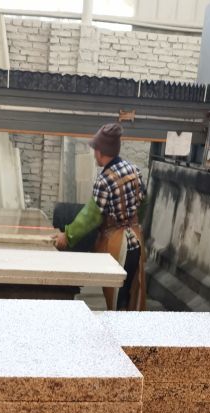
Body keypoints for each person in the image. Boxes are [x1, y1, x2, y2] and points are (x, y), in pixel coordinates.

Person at [55, 123, 146, 310]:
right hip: (137, 240)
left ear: (100, 151)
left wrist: (67, 236)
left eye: (95, 149)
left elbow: (91, 216)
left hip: (118, 244)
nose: (94, 153)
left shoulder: (104, 180)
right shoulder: (134, 170)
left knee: (116, 296)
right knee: (133, 293)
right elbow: (144, 202)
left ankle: (116, 326)